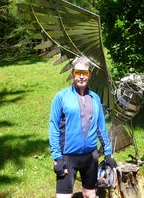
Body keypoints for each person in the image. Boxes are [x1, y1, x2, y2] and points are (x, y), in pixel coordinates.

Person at [49, 56, 117, 198]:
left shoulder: (95, 98)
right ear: (73, 73)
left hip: (90, 158)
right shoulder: (61, 97)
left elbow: (101, 127)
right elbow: (54, 127)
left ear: (89, 75)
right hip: (67, 158)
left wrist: (108, 154)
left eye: (85, 73)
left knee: (90, 194)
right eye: (77, 72)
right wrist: (57, 158)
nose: (81, 76)